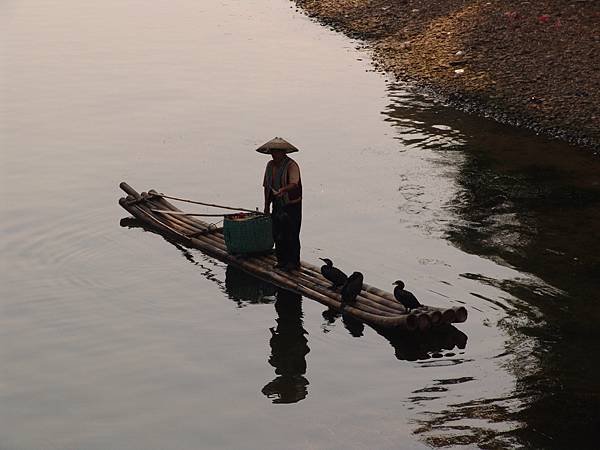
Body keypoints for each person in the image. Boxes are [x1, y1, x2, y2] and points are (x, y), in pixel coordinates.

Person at [257, 137, 302, 271]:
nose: (273, 154)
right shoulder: (270, 165)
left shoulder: (292, 165)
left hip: (291, 205)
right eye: (272, 152)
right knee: (277, 233)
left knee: (291, 233)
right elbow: (267, 186)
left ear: (283, 153)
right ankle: (281, 260)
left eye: (276, 152)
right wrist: (266, 205)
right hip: (277, 203)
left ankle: (293, 262)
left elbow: (294, 183)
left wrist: (283, 190)